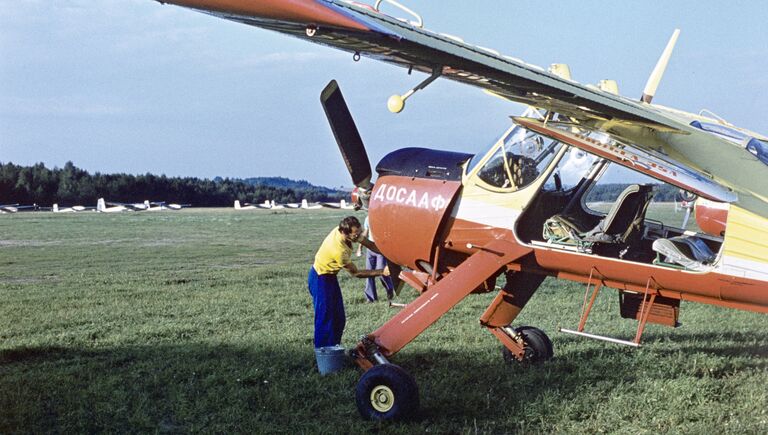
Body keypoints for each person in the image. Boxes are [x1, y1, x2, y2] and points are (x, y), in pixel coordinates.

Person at [308, 216, 389, 348]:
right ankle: (323, 354)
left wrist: (388, 253)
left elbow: (369, 244)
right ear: (345, 233)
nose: (358, 236)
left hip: (330, 277)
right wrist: (382, 272)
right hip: (320, 278)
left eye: (359, 232)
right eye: (355, 234)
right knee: (325, 319)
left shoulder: (348, 232)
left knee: (339, 318)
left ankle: (334, 349)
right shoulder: (338, 250)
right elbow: (356, 273)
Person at [356, 215, 394, 302]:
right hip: (370, 249)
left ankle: (390, 288)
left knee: (382, 273)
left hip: (380, 249)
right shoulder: (367, 218)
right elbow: (365, 233)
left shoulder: (383, 218)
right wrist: (360, 247)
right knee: (369, 273)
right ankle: (371, 298)